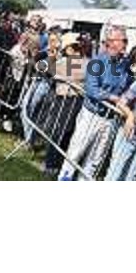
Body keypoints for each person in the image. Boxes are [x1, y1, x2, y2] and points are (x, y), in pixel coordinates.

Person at [58, 25, 132, 181]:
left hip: (110, 119)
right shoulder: (98, 61)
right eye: (122, 41)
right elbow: (91, 88)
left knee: (95, 159)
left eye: (122, 41)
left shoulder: (126, 65)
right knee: (76, 151)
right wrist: (112, 98)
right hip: (91, 115)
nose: (125, 44)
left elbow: (127, 88)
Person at [104, 52, 136, 181]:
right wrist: (130, 115)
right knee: (116, 169)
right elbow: (123, 99)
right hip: (130, 131)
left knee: (132, 174)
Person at [43, 32, 87, 177]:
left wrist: (51, 57)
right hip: (75, 101)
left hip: (66, 100)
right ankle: (58, 163)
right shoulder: (87, 62)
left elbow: (47, 70)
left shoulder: (70, 62)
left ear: (71, 48)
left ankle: (51, 164)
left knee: (58, 133)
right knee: (67, 134)